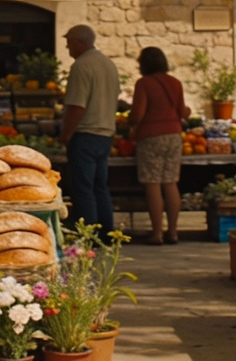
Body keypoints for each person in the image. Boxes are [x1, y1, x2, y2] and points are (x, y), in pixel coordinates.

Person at [59, 24, 120, 232]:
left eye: (69, 44)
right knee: (100, 187)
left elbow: (77, 105)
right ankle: (106, 232)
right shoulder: (108, 64)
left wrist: (66, 134)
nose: (68, 50)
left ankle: (88, 234)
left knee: (83, 188)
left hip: (85, 134)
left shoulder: (82, 66)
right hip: (105, 134)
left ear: (79, 43)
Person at [128, 47, 190, 245]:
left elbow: (138, 114)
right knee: (171, 182)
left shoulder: (144, 84)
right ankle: (173, 232)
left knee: (152, 183)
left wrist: (129, 123)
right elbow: (183, 111)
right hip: (173, 135)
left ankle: (157, 233)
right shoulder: (175, 83)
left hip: (151, 137)